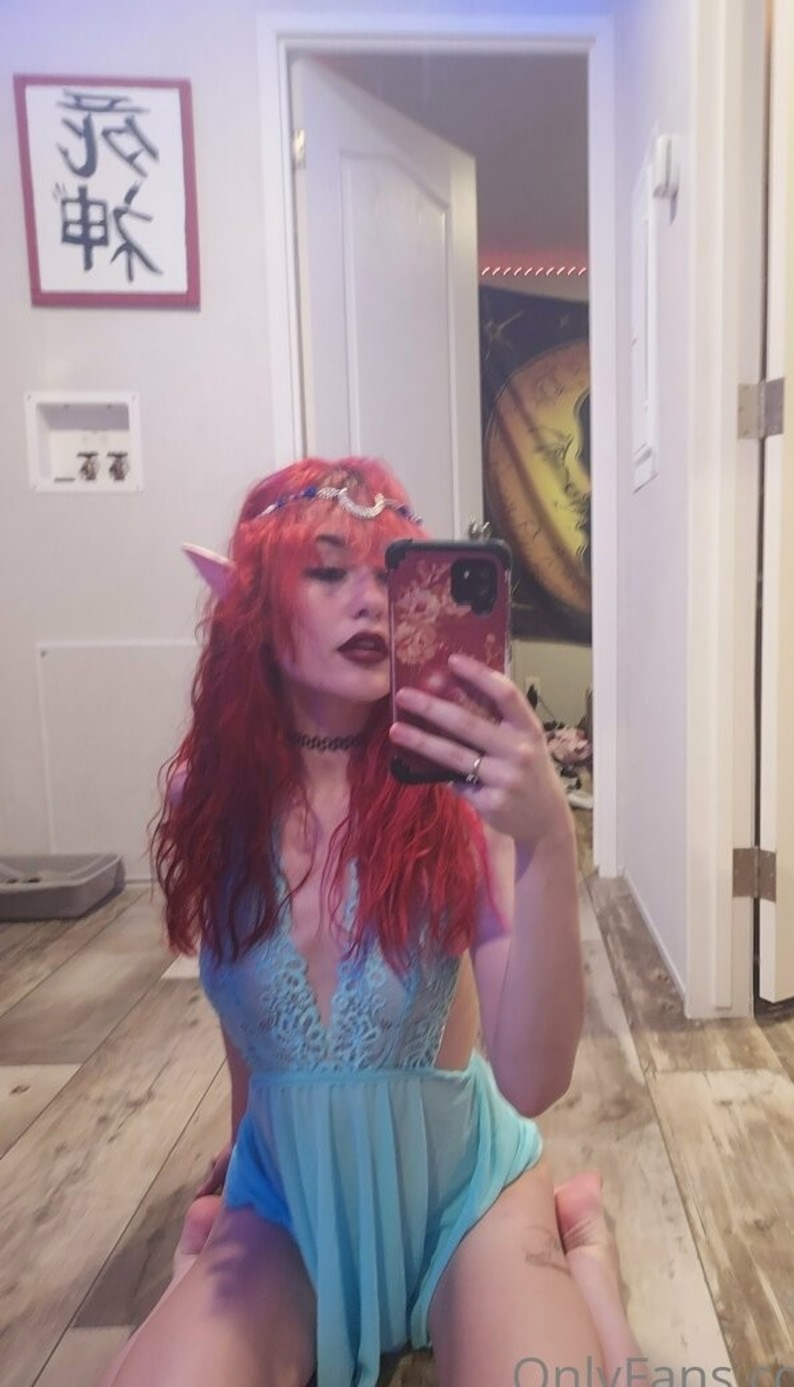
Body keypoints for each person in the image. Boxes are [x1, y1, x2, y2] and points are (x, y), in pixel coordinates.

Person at [99, 458, 642, 1387]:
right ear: (254, 604)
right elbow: (247, 1022)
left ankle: (585, 1249)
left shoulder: (458, 791)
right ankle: (210, 1251)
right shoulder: (210, 794)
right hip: (290, 1200)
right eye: (326, 569)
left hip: (461, 1196)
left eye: (392, 575)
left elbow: (532, 1079)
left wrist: (548, 837)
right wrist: (242, 1160)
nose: (371, 600)